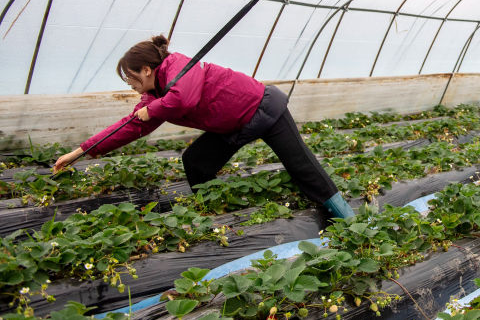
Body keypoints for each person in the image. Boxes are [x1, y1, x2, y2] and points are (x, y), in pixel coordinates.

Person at [53, 35, 354, 220]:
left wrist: (151, 109)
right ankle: (217, 210)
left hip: (263, 109)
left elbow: (183, 98)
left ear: (146, 70)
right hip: (231, 126)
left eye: (130, 78)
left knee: (302, 167)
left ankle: (349, 220)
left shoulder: (179, 65)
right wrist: (81, 151)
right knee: (196, 161)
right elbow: (131, 126)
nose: (130, 84)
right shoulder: (155, 95)